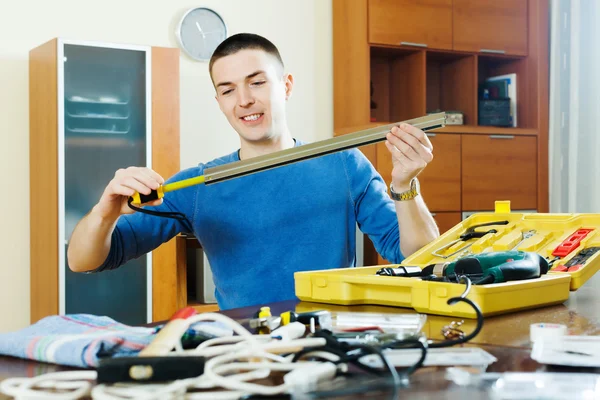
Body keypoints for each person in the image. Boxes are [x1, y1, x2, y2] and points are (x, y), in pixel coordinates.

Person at [67, 33, 440, 310]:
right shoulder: (195, 187)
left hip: (328, 343)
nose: (244, 99)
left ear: (286, 86)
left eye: (257, 82)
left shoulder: (345, 163)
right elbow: (84, 261)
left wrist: (406, 185)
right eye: (228, 90)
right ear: (219, 102)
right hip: (244, 349)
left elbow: (417, 256)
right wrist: (105, 212)